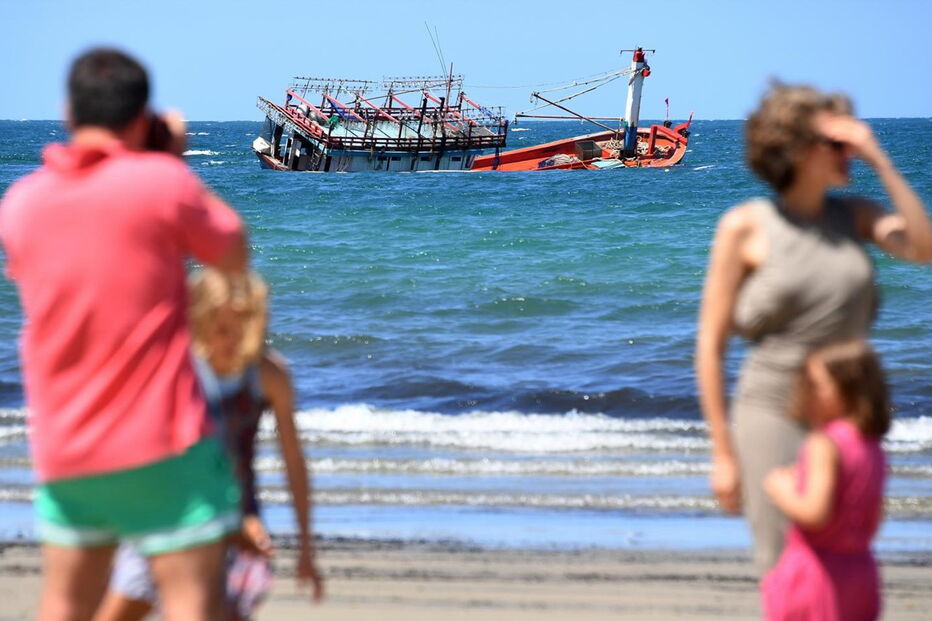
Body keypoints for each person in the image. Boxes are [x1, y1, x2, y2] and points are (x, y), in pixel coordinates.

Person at [0, 48, 248, 620]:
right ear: (144, 117)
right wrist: (169, 160)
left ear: (67, 112)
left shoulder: (21, 203)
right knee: (191, 603)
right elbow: (233, 252)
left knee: (64, 604)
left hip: (65, 444)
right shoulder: (163, 183)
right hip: (163, 441)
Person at [695, 83, 932, 570]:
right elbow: (710, 346)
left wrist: (879, 159)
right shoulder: (746, 225)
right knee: (788, 568)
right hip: (772, 411)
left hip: (852, 417)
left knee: (849, 562)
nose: (851, 152)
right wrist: (722, 452)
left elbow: (924, 249)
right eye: (838, 143)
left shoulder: (857, 215)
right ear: (800, 148)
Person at [96, 269, 324, 620]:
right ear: (199, 320)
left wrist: (306, 547)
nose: (232, 339)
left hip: (240, 526)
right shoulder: (175, 372)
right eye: (221, 328)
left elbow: (293, 462)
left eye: (243, 328)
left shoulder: (268, 375)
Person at [761, 340, 888, 620]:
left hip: (816, 570)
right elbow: (873, 515)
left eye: (816, 384)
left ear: (848, 390)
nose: (806, 391)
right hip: (860, 570)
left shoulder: (825, 443)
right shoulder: (872, 446)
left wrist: (782, 490)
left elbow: (815, 513)